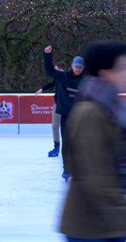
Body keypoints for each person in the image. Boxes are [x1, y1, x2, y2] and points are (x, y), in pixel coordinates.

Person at [60, 40, 126, 242]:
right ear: (106, 72)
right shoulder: (90, 112)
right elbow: (95, 177)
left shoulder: (111, 107)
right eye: (123, 67)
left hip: (107, 224)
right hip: (89, 227)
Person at [44, 46, 84, 181]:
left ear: (82, 68)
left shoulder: (86, 80)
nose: (77, 69)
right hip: (66, 116)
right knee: (67, 143)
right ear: (72, 66)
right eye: (75, 66)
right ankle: (67, 169)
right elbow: (49, 70)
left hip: (80, 116)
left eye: (80, 67)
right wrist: (47, 55)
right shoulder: (63, 76)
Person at [35, 62, 66, 157]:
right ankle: (56, 147)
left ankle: (69, 148)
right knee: (55, 126)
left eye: (56, 69)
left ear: (61, 69)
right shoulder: (57, 78)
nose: (54, 71)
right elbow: (51, 84)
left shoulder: (68, 78)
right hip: (57, 105)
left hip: (67, 106)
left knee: (68, 129)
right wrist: (42, 89)